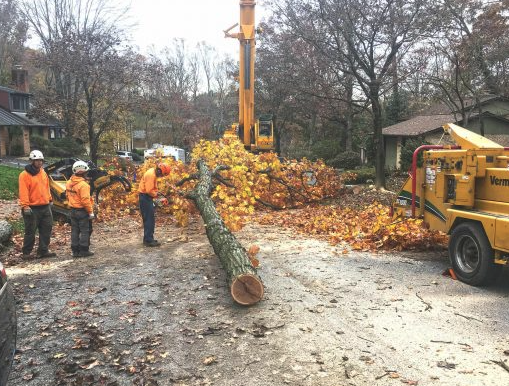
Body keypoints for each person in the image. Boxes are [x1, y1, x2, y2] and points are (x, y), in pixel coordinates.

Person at [18, 150, 56, 258]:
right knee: (30, 230)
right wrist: (25, 206)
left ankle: (43, 250)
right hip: (32, 208)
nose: (39, 162)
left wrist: (49, 199)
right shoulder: (24, 175)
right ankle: (26, 253)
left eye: (41, 160)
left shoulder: (43, 173)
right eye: (37, 160)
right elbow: (23, 191)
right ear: (32, 161)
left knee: (46, 229)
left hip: (45, 206)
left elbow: (46, 187)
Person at [66, 160, 95, 257]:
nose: (88, 174)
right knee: (85, 231)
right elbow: (85, 200)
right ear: (83, 172)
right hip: (82, 211)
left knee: (75, 230)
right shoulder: (84, 185)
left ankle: (75, 250)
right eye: (87, 172)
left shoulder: (69, 182)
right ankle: (84, 250)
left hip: (72, 210)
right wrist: (90, 212)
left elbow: (67, 195)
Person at [138, 163, 171, 247]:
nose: (162, 176)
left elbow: (152, 189)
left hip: (146, 197)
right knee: (149, 219)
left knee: (149, 219)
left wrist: (158, 194)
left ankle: (148, 238)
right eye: (162, 175)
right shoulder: (151, 175)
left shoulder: (153, 172)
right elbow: (149, 191)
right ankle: (148, 240)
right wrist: (158, 197)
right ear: (160, 171)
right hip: (145, 197)